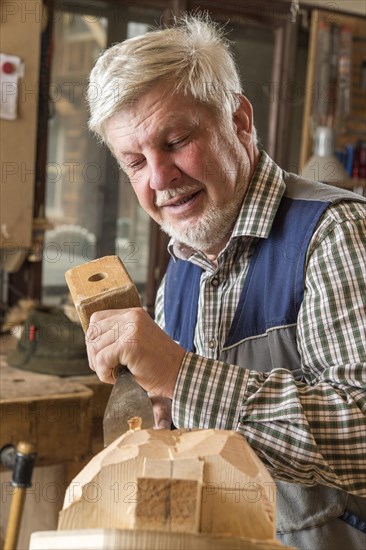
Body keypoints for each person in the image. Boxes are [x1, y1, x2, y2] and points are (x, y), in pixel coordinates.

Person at [85, 15, 366, 549]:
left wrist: (181, 376)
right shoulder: (183, 267)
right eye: (135, 161)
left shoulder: (337, 234)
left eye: (176, 141)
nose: (159, 178)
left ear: (239, 120)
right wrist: (164, 413)